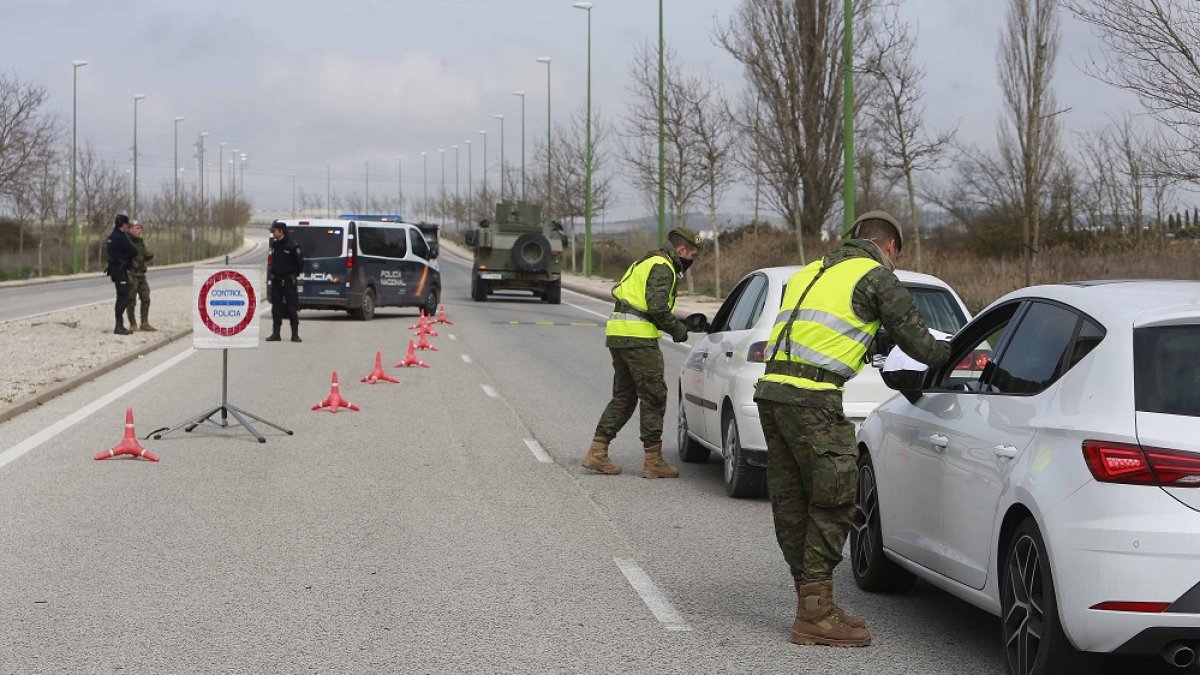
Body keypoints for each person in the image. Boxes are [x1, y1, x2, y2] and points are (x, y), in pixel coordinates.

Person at [753, 211, 951, 648]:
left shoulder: (810, 272)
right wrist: (954, 356)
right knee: (836, 499)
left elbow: (826, 331)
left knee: (792, 502)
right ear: (890, 247)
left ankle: (812, 604)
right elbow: (920, 344)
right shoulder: (876, 276)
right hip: (814, 399)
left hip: (772, 394)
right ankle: (815, 614)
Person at [583, 226, 701, 479]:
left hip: (619, 333)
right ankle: (653, 461)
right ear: (682, 249)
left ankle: (597, 451)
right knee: (654, 396)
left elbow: (644, 303)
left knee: (624, 396)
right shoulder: (663, 266)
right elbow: (657, 307)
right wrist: (679, 331)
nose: (692, 261)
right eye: (693, 255)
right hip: (638, 339)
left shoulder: (646, 261)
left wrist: (678, 324)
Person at [267, 220, 303, 343]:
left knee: (292, 307)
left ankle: (295, 334)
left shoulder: (292, 245)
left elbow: (299, 263)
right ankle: (276, 333)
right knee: (276, 308)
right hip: (277, 280)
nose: (273, 233)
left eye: (274, 231)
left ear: (281, 231)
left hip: (288, 280)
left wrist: (293, 275)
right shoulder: (275, 245)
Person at [105, 213, 139, 335]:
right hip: (120, 270)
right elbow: (134, 251)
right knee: (123, 297)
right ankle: (119, 326)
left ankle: (119, 324)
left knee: (121, 295)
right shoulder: (121, 237)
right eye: (126, 225)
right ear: (123, 225)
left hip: (114, 270)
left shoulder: (111, 237)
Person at [124, 220, 156, 332]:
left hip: (141, 274)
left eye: (140, 228)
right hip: (131, 275)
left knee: (146, 298)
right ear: (130, 229)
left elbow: (144, 255)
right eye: (137, 228)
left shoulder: (140, 242)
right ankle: (133, 324)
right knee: (131, 300)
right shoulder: (125, 242)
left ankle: (144, 323)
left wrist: (149, 254)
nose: (139, 230)